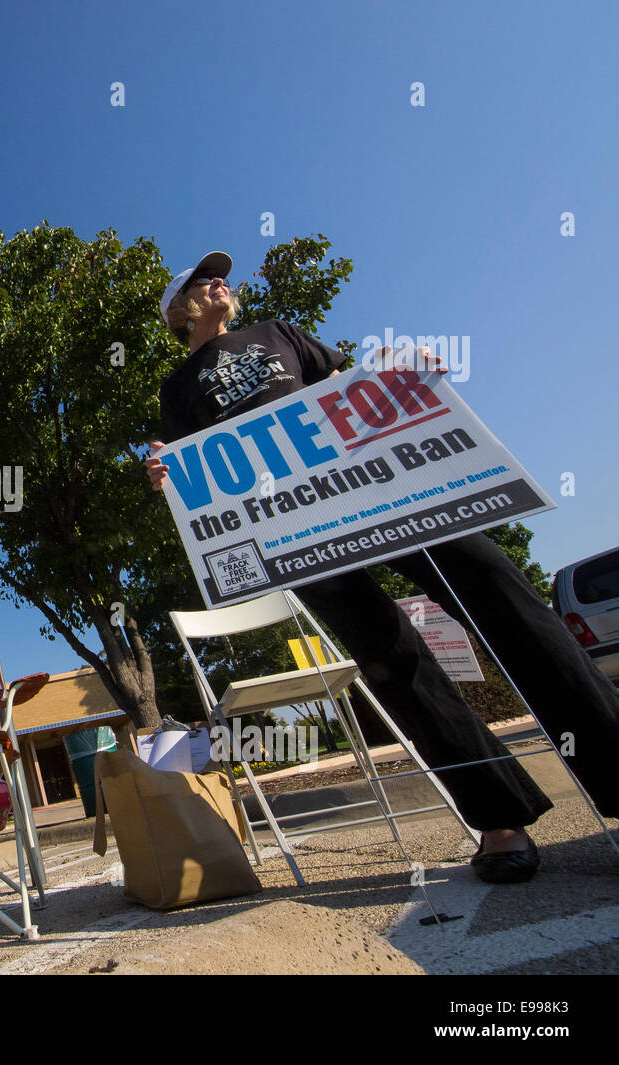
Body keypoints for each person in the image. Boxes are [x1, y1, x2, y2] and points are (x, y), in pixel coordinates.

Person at [145, 250, 619, 884]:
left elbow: (344, 387)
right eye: (204, 280)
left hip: (385, 487)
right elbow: (182, 460)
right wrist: (162, 469)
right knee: (391, 654)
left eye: (220, 275)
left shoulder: (278, 334)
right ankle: (497, 818)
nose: (219, 282)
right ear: (180, 310)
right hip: (293, 523)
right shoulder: (178, 388)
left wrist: (403, 381)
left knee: (503, 596)